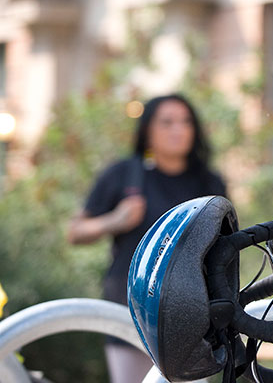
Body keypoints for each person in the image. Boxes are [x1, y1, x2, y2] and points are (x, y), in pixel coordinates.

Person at [68, 93, 226, 383]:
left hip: (189, 314)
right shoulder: (124, 174)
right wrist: (114, 220)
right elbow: (75, 232)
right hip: (128, 307)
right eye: (167, 122)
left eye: (185, 121)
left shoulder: (208, 182)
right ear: (148, 130)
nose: (178, 129)